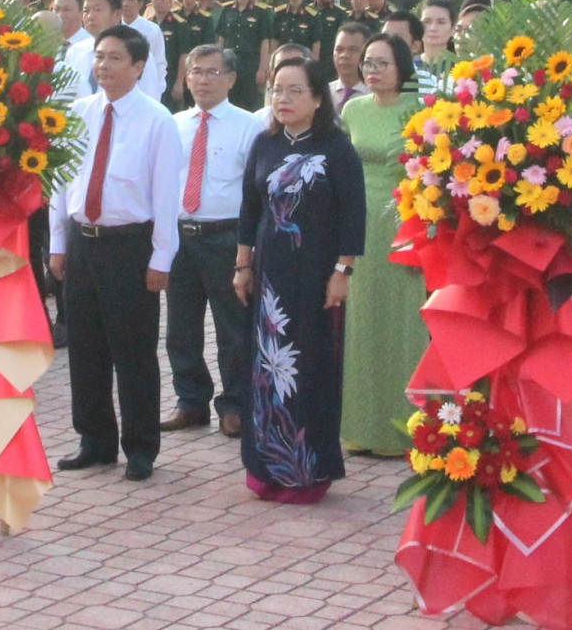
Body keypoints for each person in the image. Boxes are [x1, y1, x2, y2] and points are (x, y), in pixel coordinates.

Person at [48, 25, 182, 483]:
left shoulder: (157, 120)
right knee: (85, 349)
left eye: (114, 58)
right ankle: (94, 440)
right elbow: (60, 183)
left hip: (130, 246)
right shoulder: (78, 113)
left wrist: (162, 258)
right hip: (82, 242)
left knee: (134, 351)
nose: (103, 66)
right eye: (99, 56)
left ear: (139, 66)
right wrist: (58, 244)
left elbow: (166, 197)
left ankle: (140, 446)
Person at [234, 54, 365, 503]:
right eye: (276, 90)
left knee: (309, 369)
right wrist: (243, 266)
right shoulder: (264, 144)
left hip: (315, 276)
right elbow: (249, 210)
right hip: (269, 279)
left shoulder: (336, 149)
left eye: (294, 90)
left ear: (317, 98)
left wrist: (342, 272)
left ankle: (308, 472)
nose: (282, 98)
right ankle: (267, 468)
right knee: (266, 370)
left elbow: (353, 216)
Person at [163, 45, 263, 439]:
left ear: (231, 79)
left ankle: (235, 404)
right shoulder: (173, 124)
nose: (202, 80)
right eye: (195, 71)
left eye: (212, 72)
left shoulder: (249, 126)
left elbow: (256, 192)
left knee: (233, 328)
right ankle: (190, 401)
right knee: (180, 327)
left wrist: (247, 252)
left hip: (227, 237)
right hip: (179, 237)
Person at [339, 33, 427, 455]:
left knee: (404, 322)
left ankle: (406, 429)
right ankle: (361, 427)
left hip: (406, 222)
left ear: (401, 67)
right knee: (361, 322)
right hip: (360, 224)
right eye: (367, 62)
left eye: (382, 63)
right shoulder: (352, 109)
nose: (371, 70)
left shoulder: (422, 109)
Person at [217, 0, 272, 112]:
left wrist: (263, 68)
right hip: (229, 62)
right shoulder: (227, 10)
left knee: (252, 104)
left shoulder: (261, 12)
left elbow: (265, 42)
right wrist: (218, 63)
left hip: (250, 64)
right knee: (228, 102)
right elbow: (221, 38)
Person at [269, 0, 320, 74]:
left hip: (303, 65)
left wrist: (314, 68)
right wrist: (272, 66)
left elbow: (316, 45)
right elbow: (274, 41)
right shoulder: (279, 13)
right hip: (282, 64)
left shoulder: (312, 15)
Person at [328, 20, 371, 111]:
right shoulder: (324, 93)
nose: (344, 55)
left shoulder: (376, 96)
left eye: (353, 50)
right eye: (339, 50)